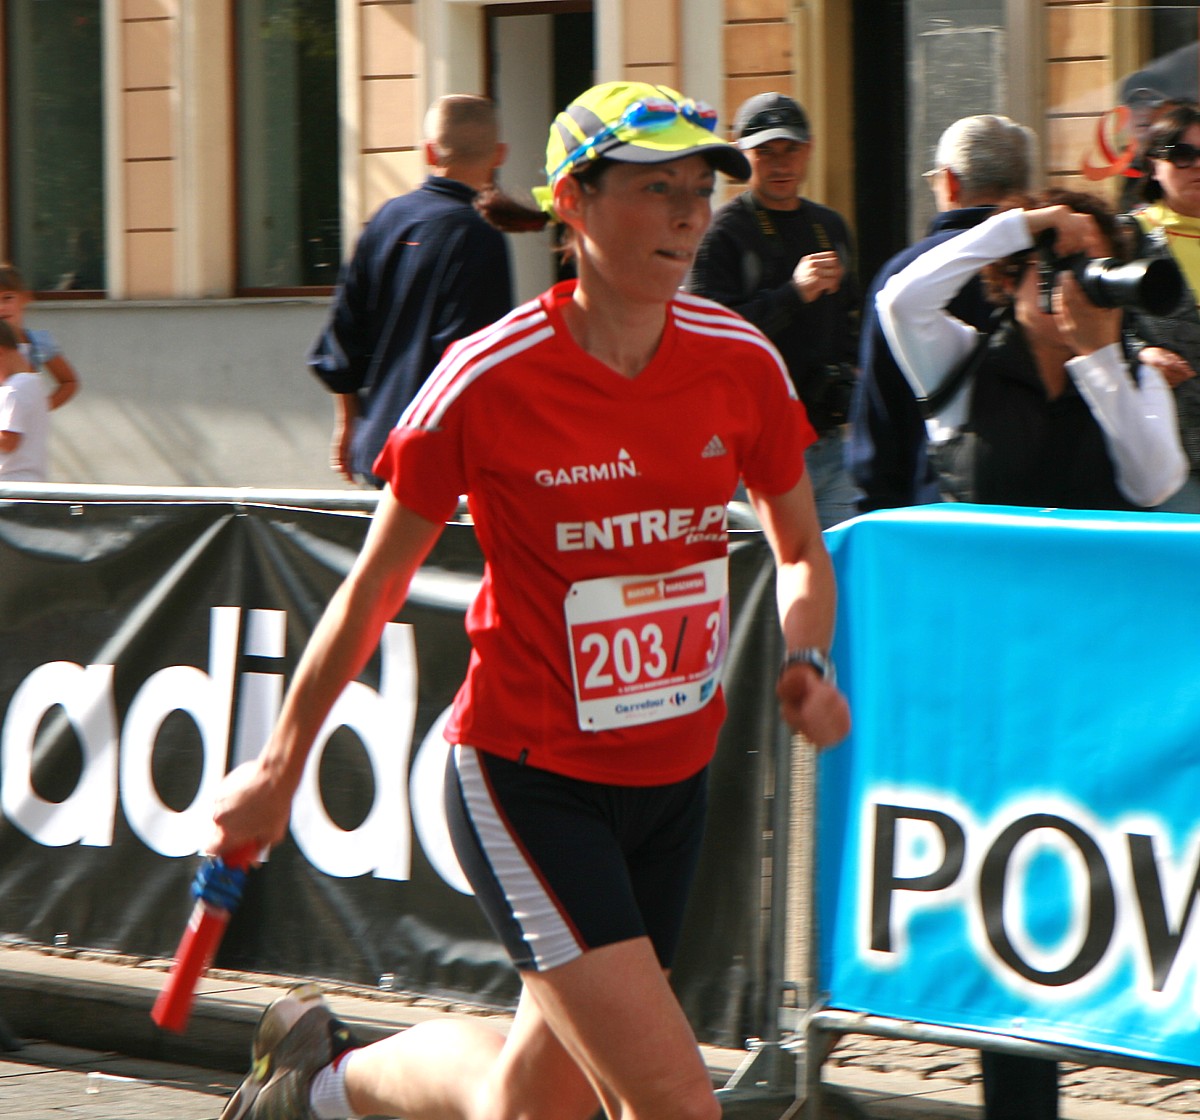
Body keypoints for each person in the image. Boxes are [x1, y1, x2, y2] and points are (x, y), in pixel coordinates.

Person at [211, 80, 851, 1120]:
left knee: (530, 1105)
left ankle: (313, 1090)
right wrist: (279, 770)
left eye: (700, 190)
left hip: (672, 782)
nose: (689, 216)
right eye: (657, 189)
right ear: (573, 203)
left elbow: (801, 553)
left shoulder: (741, 362)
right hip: (528, 779)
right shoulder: (485, 376)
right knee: (674, 1103)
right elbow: (373, 587)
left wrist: (804, 658)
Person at [878, 188, 1185, 1120]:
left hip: (1091, 684)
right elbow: (900, 298)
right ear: (1018, 275)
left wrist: (1097, 354)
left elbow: (1157, 481)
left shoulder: (1124, 373)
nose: (1085, 283)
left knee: (1080, 884)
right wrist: (1025, 227)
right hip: (979, 681)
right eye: (1067, 264)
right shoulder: (960, 360)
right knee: (997, 888)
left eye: (1100, 266)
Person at [308, 95, 513, 487]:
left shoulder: (387, 219)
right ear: (500, 154)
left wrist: (349, 424)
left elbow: (343, 335)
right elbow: (473, 359)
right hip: (442, 461)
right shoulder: (480, 234)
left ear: (429, 152)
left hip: (379, 445)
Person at [685, 92, 860, 529]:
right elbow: (709, 340)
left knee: (837, 564)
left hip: (829, 442)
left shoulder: (829, 226)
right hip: (754, 448)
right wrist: (793, 294)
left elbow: (850, 323)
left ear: (810, 149)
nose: (781, 164)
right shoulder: (721, 233)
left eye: (791, 149)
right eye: (766, 152)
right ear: (741, 154)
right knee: (765, 568)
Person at [847, 114, 1035, 511]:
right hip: (1042, 509)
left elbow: (879, 415)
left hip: (934, 505)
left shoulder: (903, 275)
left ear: (950, 183)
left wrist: (878, 508)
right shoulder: (1046, 268)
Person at [1124, 100, 1200, 512]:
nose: (1197, 165)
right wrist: (1141, 354)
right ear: (1154, 164)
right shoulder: (1128, 237)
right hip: (1169, 461)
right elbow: (1090, 328)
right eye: (1183, 154)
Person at [0, 263, 81, 411]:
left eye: (8, 298)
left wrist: (40, 409)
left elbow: (69, 381)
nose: (1, 307)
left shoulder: (37, 343)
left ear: (25, 298)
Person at [0, 319, 50, 482]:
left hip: (11, 486)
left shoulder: (13, 389)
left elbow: (8, 441)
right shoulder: (34, 383)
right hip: (28, 483)